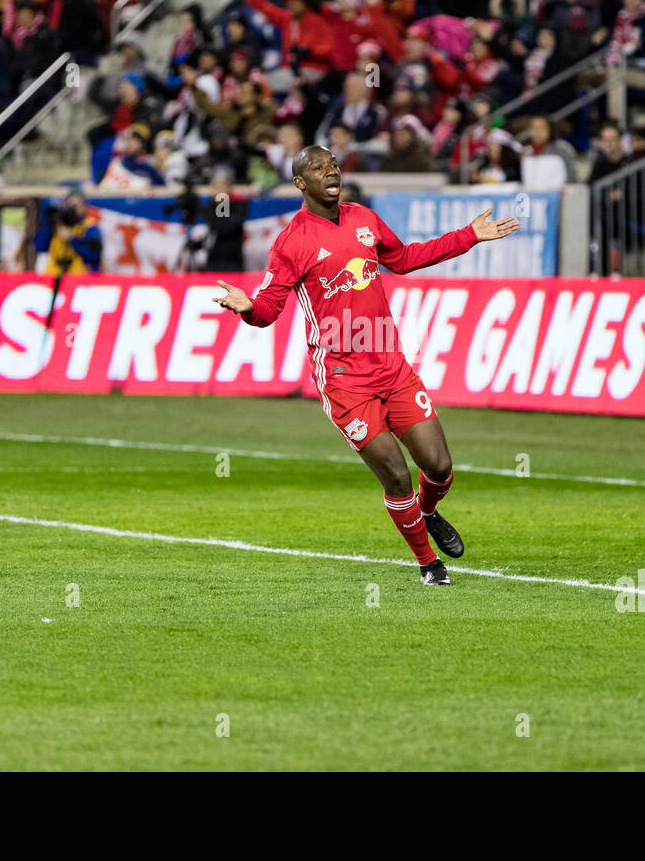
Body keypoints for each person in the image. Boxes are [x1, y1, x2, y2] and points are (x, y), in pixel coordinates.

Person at [212, 146, 519, 585]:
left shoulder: (365, 219)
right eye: (318, 168)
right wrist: (246, 308)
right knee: (396, 475)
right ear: (301, 184)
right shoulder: (291, 242)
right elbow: (268, 310)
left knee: (439, 466)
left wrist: (467, 236)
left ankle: (428, 512)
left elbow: (405, 259)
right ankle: (428, 564)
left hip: (392, 366)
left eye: (333, 164)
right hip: (344, 380)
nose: (330, 171)